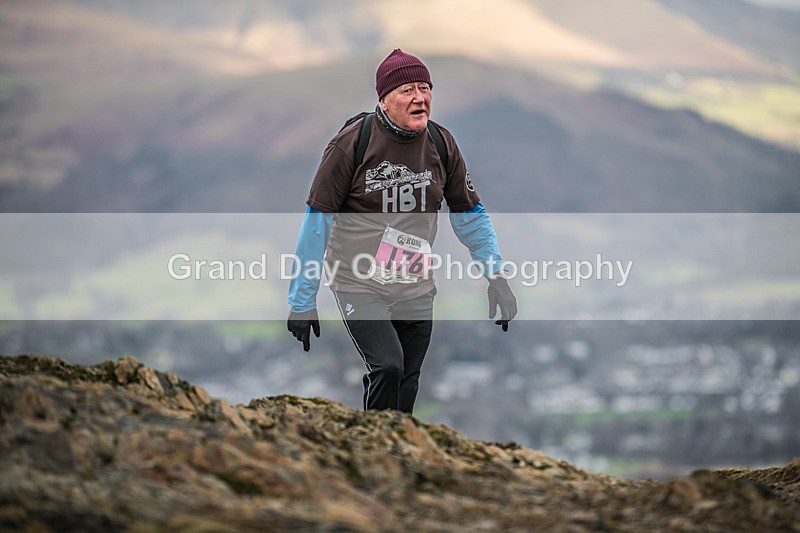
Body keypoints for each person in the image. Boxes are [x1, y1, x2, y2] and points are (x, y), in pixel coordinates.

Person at [287, 48, 517, 413]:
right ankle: (371, 448)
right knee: (388, 367)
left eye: (425, 88)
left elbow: (470, 215)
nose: (420, 98)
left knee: (408, 380)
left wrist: (497, 278)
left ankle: (396, 457)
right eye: (407, 90)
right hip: (357, 282)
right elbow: (318, 223)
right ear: (384, 99)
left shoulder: (441, 144)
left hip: (415, 284)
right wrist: (301, 300)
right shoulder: (351, 144)